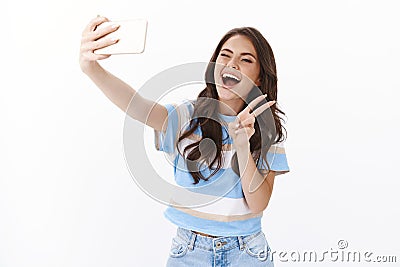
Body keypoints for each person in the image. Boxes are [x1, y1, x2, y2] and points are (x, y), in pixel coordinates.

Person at [80, 15, 290, 267]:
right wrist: (91, 69)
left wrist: (243, 144)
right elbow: (137, 105)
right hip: (190, 252)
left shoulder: (267, 131)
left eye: (246, 60)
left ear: (258, 78)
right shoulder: (187, 118)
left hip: (247, 252)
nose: (232, 64)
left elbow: (258, 204)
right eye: (225, 55)